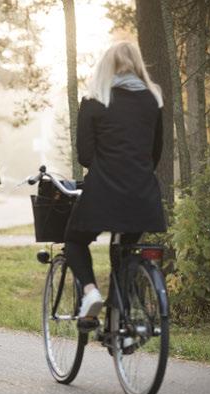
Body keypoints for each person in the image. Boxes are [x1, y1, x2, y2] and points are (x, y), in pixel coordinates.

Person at [64, 41, 166, 321]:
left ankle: (91, 292)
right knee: (124, 252)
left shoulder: (95, 100)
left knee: (73, 240)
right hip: (143, 195)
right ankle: (117, 319)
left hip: (103, 193)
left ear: (106, 67)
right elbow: (155, 153)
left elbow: (85, 156)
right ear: (138, 66)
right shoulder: (152, 100)